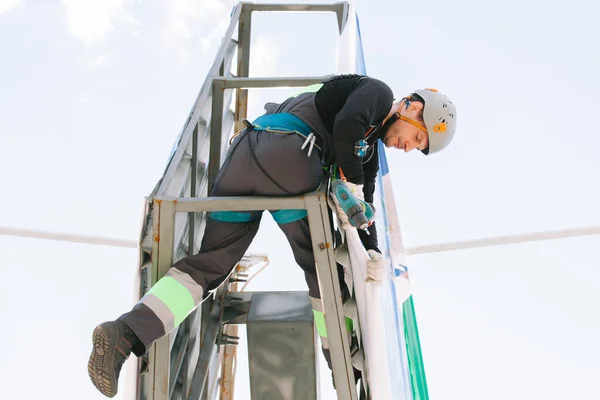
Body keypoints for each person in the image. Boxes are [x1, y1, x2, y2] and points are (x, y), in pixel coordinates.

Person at [87, 74, 458, 398]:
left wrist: (373, 248)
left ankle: (124, 333)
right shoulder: (376, 92)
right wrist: (353, 188)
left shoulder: (366, 145)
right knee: (322, 270)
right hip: (291, 160)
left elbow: (368, 198)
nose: (408, 147)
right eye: (416, 138)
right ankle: (344, 368)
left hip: (242, 159)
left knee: (211, 266)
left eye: (417, 148)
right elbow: (348, 125)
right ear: (412, 107)